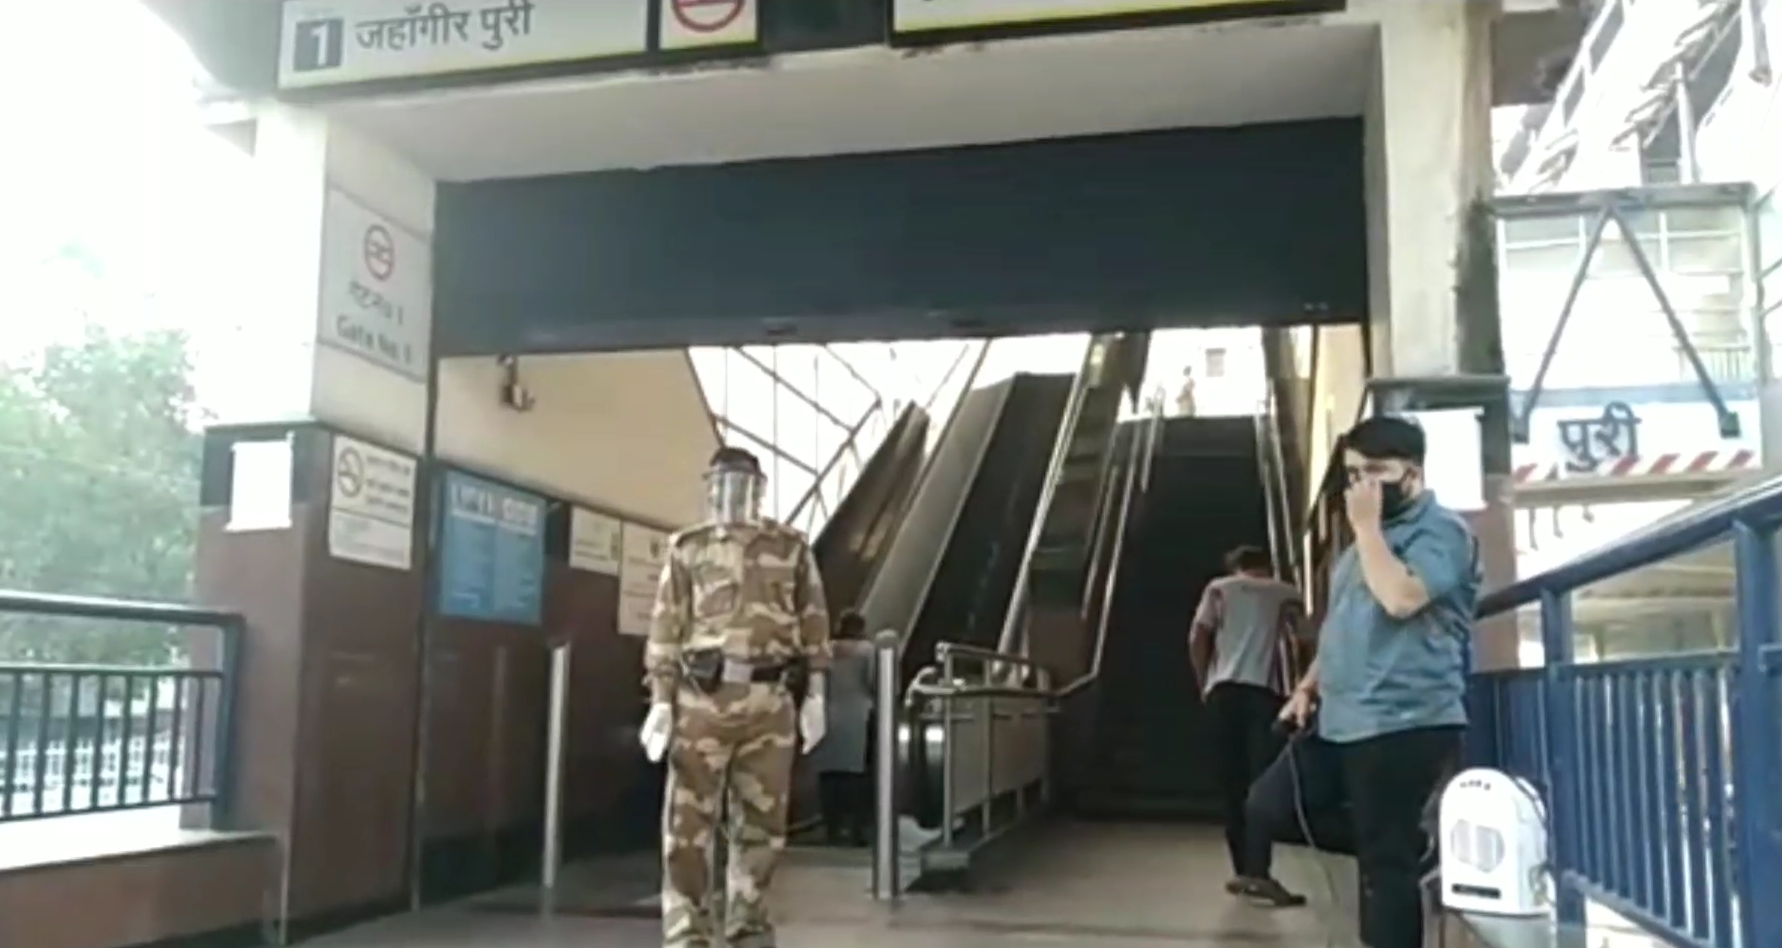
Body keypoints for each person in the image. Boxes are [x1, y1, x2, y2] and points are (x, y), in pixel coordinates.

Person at [1241, 417, 1478, 948]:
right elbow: (1339, 625)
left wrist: (1368, 530)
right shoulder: (1355, 553)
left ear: (1411, 473)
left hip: (1404, 718)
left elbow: (1401, 599)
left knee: (1381, 870)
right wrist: (1307, 688)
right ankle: (1415, 846)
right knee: (1268, 807)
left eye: (1376, 471)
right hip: (1340, 716)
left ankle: (1397, 853)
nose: (1362, 485)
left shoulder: (1441, 532)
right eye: (1353, 474)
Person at [639, 446, 832, 948]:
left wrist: (816, 694)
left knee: (763, 825)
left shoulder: (790, 547)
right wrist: (661, 700)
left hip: (771, 701)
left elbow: (814, 623)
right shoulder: (689, 547)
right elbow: (666, 628)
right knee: (687, 827)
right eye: (723, 484)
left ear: (760, 489)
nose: (733, 495)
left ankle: (748, 925)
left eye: (744, 485)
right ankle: (687, 932)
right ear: (710, 487)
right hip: (702, 701)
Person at [1189, 545, 1306, 901]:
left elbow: (1197, 636)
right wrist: (1302, 685)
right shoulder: (1286, 591)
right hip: (1263, 694)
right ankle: (1259, 870)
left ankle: (1242, 869)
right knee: (1261, 783)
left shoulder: (1219, 588)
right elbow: (1304, 640)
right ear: (1266, 565)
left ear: (1235, 566)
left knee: (1231, 782)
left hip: (1223, 692)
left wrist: (1203, 683)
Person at [809, 609, 876, 846]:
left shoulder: (826, 649)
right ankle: (857, 829)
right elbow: (874, 681)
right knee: (858, 776)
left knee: (829, 776)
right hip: (859, 716)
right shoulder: (867, 651)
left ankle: (832, 827)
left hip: (827, 716)